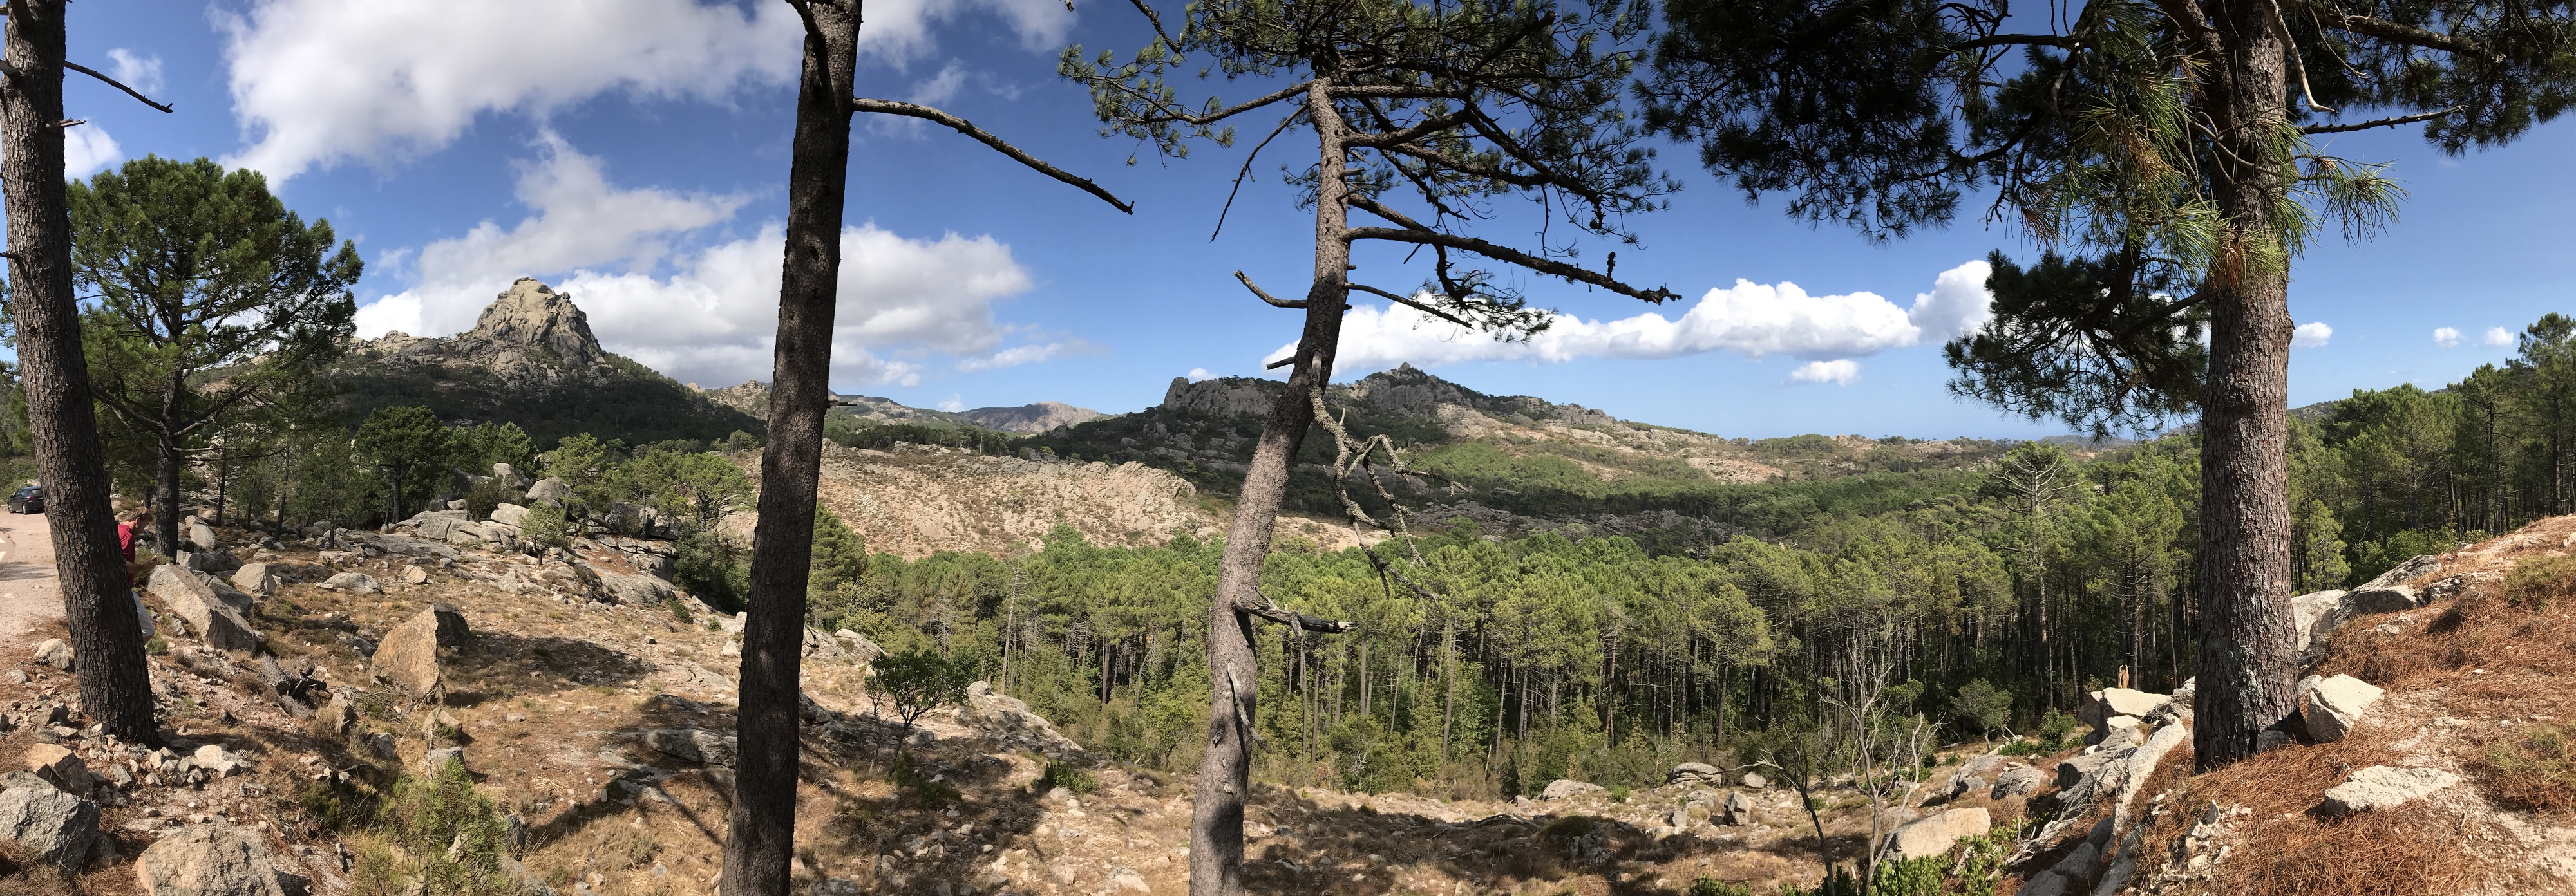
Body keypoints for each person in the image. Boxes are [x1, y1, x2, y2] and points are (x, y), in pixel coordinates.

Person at [117, 506, 158, 638]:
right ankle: (133, 658)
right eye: (144, 526)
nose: (143, 530)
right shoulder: (127, 536)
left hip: (118, 589)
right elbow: (121, 564)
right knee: (148, 631)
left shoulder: (118, 530)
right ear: (137, 520)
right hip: (124, 590)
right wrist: (145, 567)